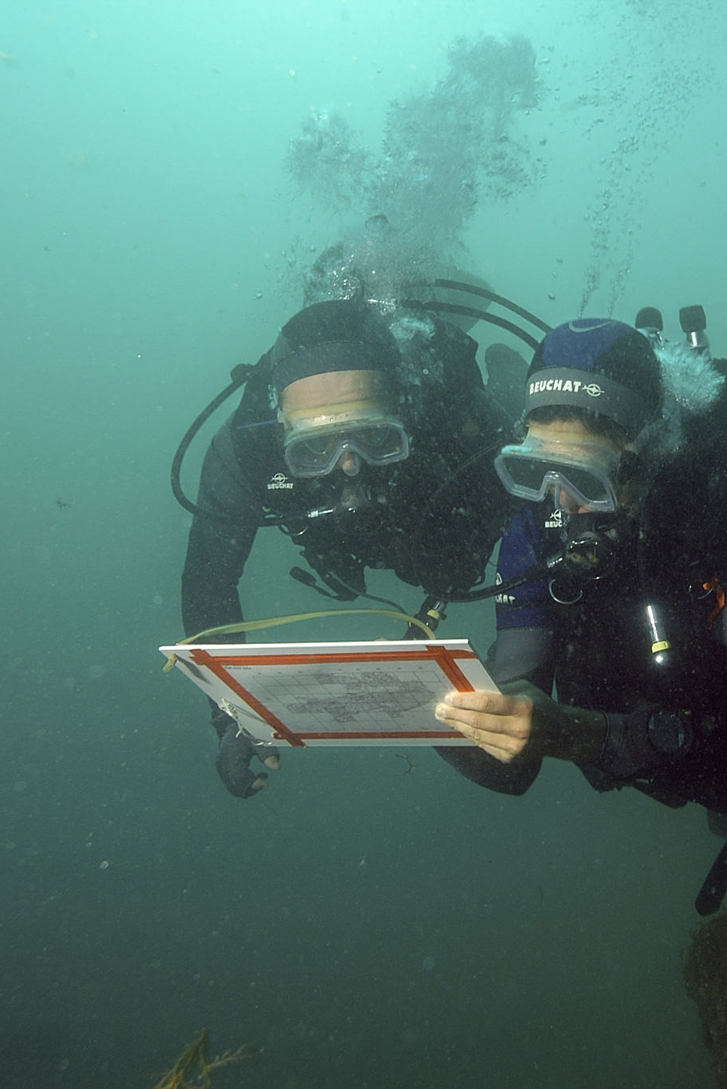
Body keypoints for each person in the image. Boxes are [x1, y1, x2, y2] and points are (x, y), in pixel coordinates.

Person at [431, 317, 727, 912]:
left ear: (644, 451)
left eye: (584, 478)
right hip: (643, 728)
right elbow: (518, 679)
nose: (561, 503)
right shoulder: (533, 527)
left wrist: (584, 735)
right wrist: (472, 724)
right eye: (535, 471)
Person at [180, 298, 516, 798]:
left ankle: (506, 370)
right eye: (315, 448)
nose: (350, 467)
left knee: (516, 417)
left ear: (404, 408)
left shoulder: (461, 421)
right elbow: (209, 577)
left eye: (375, 440)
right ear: (280, 427)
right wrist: (229, 714)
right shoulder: (246, 449)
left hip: (439, 519)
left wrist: (514, 677)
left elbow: (533, 531)